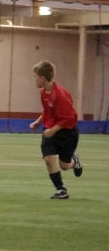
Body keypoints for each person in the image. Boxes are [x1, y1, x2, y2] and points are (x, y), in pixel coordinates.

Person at [30, 60, 83, 199]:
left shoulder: (59, 94)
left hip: (67, 132)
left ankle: (74, 161)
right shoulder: (44, 93)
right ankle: (62, 190)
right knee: (48, 159)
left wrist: (53, 130)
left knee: (64, 165)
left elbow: (69, 118)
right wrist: (38, 122)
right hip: (50, 130)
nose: (34, 79)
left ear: (42, 78)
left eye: (35, 76)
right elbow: (47, 111)